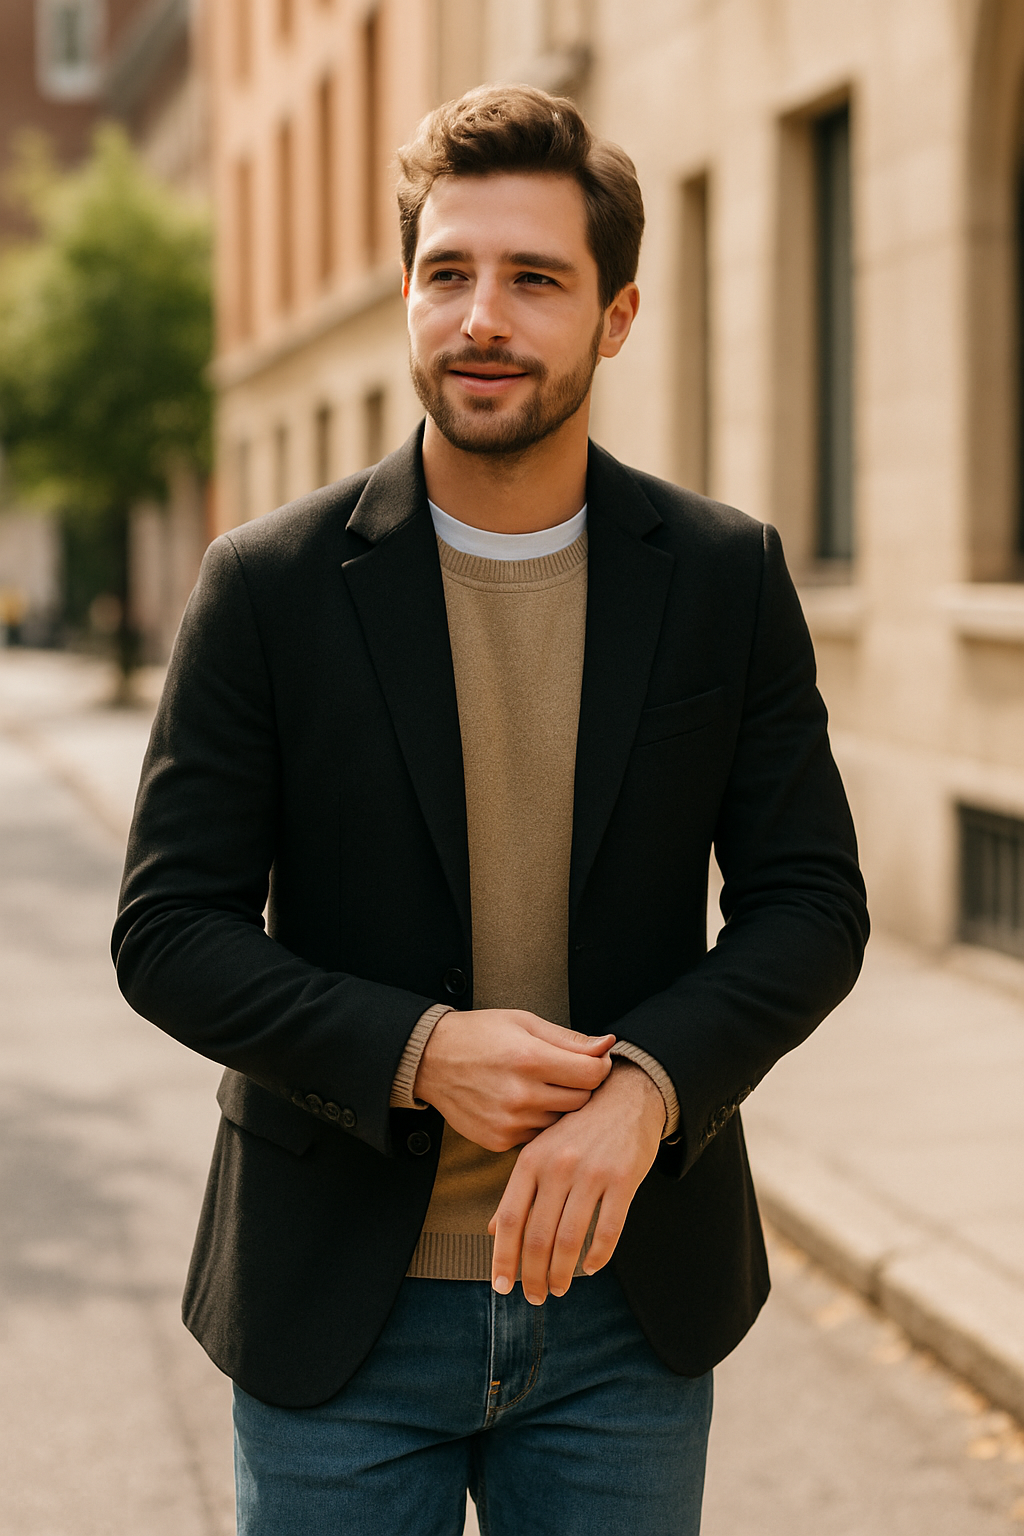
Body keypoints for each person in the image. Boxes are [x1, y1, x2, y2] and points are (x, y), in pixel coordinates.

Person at [113, 85, 868, 1536]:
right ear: (408, 293)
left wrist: (650, 1092)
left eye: (534, 279)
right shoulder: (263, 587)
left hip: (625, 1311)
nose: (482, 318)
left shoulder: (724, 578)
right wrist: (416, 1054)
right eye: (448, 272)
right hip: (336, 1313)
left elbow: (813, 906)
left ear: (617, 314)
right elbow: (169, 931)